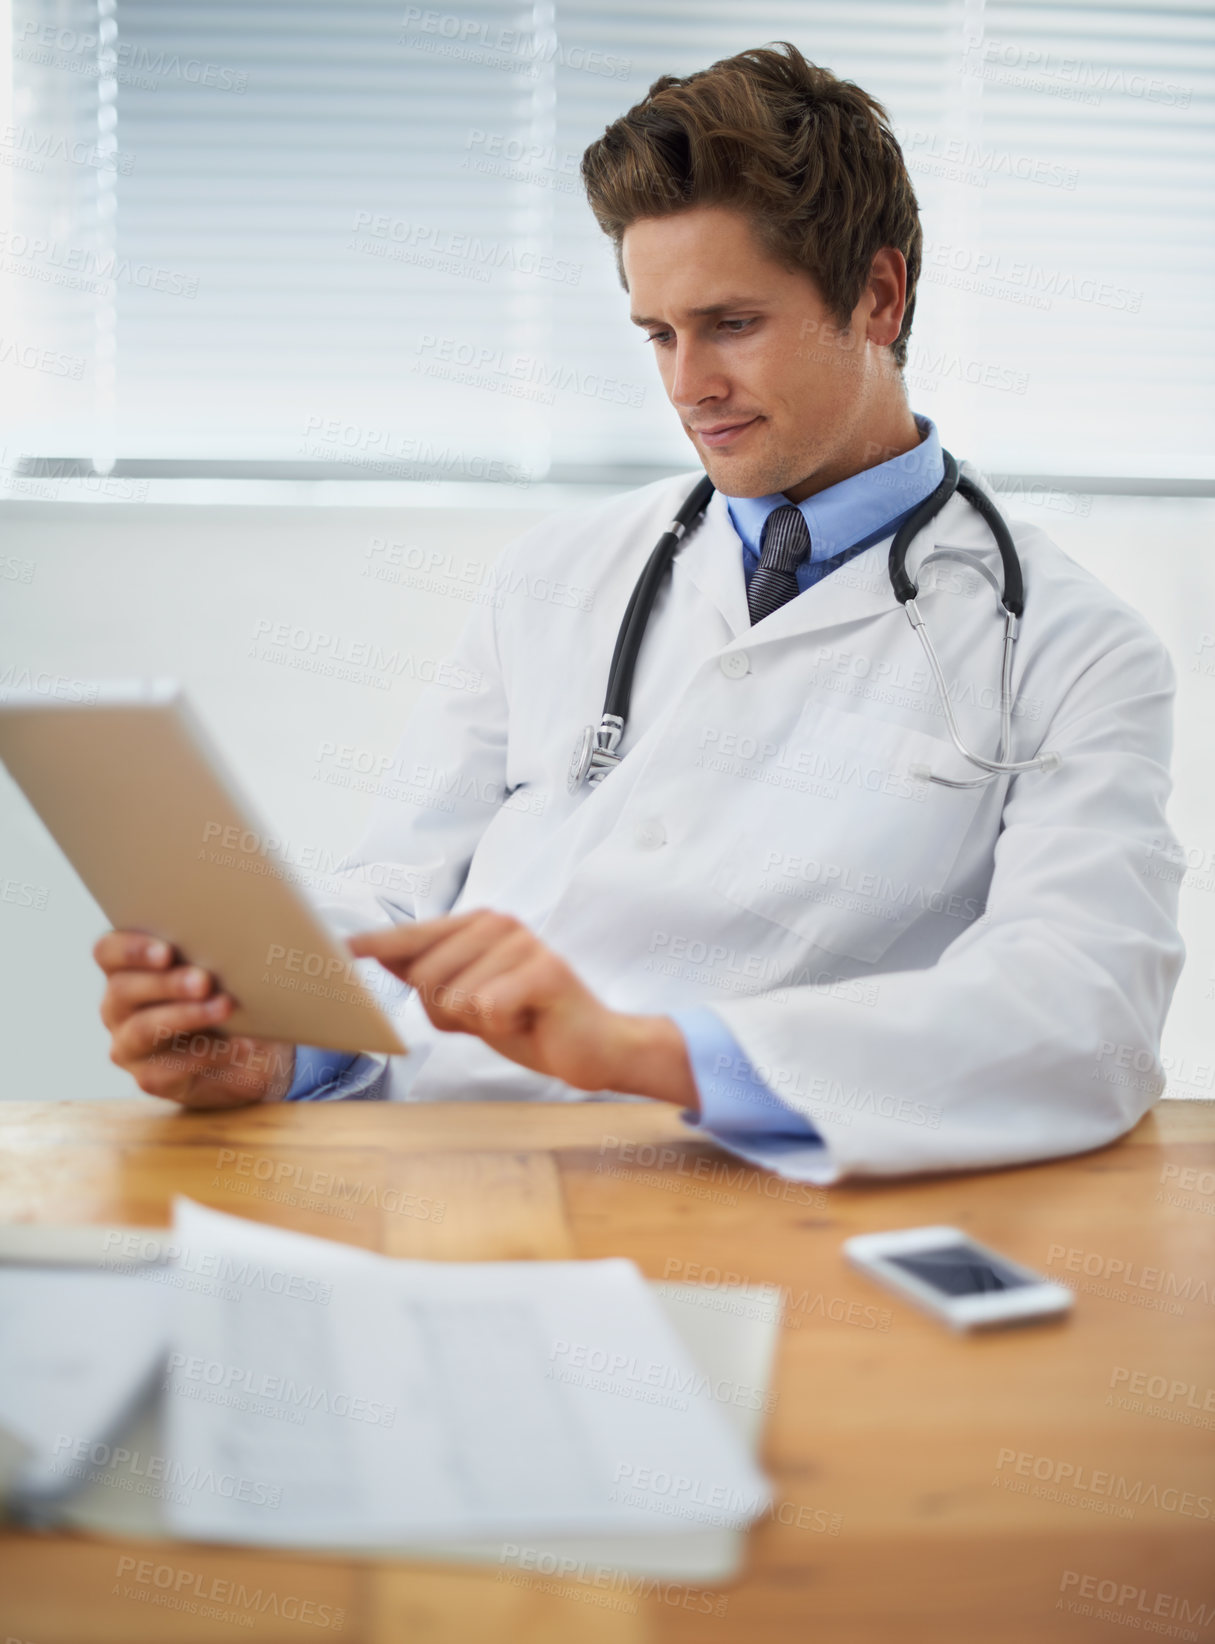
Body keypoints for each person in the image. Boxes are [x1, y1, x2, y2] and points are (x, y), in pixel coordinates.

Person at [93, 43, 1184, 1182]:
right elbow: (398, 896)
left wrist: (639, 1050)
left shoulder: (1071, 651)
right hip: (430, 1179)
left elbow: (1081, 1015)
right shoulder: (556, 575)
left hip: (737, 1206)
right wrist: (281, 1039)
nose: (686, 385)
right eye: (658, 334)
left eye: (732, 324)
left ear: (878, 294)